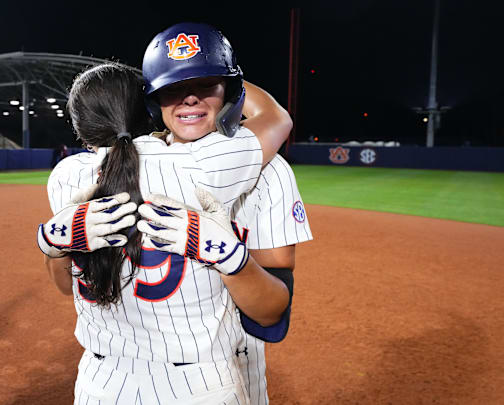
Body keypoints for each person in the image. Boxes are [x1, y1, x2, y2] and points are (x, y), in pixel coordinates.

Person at [39, 49, 290, 404]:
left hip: (100, 383)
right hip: (198, 383)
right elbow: (275, 118)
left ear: (80, 127)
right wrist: (217, 78)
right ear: (149, 108)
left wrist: (50, 243)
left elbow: (66, 284)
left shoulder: (65, 177)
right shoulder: (201, 164)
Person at [138, 22, 309, 405]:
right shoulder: (257, 160)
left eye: (206, 85)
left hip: (228, 363)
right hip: (130, 360)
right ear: (155, 100)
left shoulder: (123, 163)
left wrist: (233, 262)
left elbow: (271, 312)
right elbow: (275, 116)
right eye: (173, 88)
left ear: (228, 92)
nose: (189, 99)